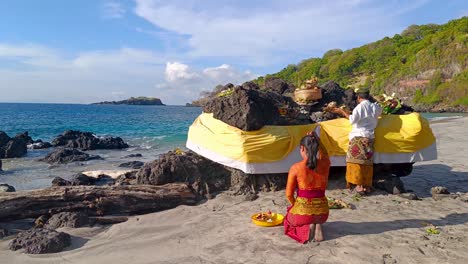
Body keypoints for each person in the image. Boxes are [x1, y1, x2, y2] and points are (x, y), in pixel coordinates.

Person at [332, 87, 382, 194]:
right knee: (367, 162)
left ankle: (359, 186)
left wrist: (342, 112)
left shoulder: (359, 107)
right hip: (370, 137)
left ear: (359, 97)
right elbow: (379, 111)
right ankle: (367, 186)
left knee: (356, 162)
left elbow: (352, 120)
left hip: (358, 136)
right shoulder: (375, 107)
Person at [284, 133, 331, 243]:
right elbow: (325, 153)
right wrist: (317, 139)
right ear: (317, 148)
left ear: (302, 148)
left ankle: (308, 226)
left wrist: (295, 206)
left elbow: (289, 194)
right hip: (323, 214)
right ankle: (317, 224)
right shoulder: (326, 163)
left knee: (288, 220)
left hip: (303, 214)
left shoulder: (295, 168)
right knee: (315, 214)